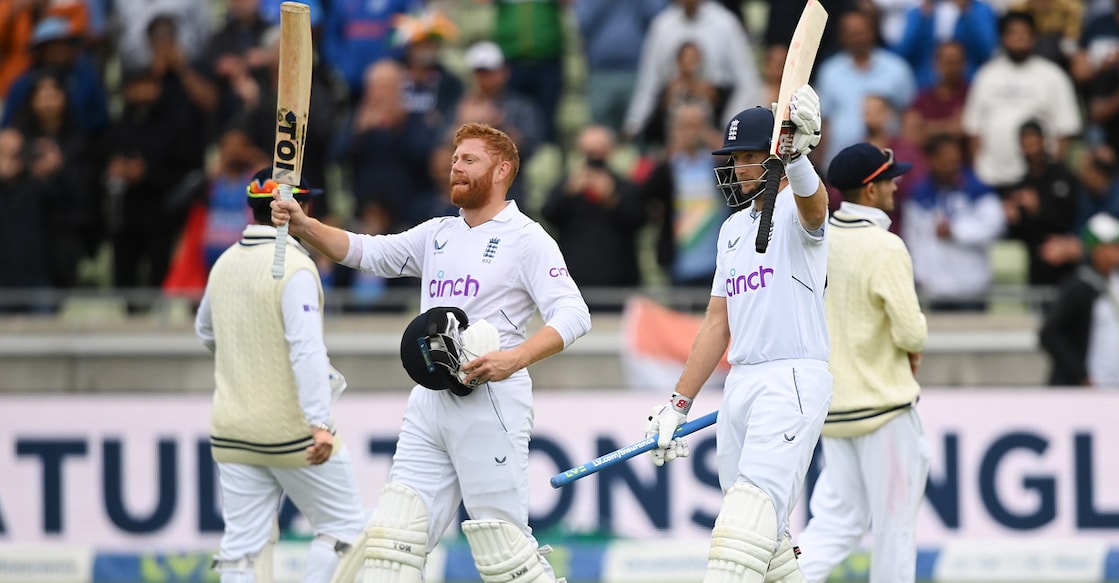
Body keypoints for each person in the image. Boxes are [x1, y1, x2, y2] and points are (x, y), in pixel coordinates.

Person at [270, 122, 592, 583]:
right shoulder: (439, 232)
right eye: (454, 158)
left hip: (491, 402)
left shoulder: (527, 238)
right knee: (391, 547)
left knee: (506, 556)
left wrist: (515, 357)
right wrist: (303, 225)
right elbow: (366, 251)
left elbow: (574, 314)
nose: (454, 167)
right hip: (429, 403)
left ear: (502, 170)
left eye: (469, 160)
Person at [642, 86, 831, 582]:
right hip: (741, 385)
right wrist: (677, 403)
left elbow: (816, 208)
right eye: (735, 158)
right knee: (765, 545)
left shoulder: (795, 207)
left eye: (750, 156)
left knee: (740, 535)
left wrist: (798, 159)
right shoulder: (730, 231)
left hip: (790, 378)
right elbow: (716, 324)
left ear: (772, 155)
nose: (741, 167)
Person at [195, 168, 366, 583]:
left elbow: (205, 331)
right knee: (348, 530)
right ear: (300, 208)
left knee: (240, 551)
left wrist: (249, 362)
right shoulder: (295, 267)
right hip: (293, 432)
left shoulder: (225, 263)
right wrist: (319, 422)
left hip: (232, 430)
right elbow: (307, 350)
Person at [795, 142, 930, 583]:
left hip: (834, 409)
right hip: (884, 410)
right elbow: (911, 331)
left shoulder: (818, 240)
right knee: (894, 530)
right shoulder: (885, 246)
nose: (896, 186)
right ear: (870, 191)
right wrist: (912, 347)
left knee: (835, 524)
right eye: (889, 180)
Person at [1040, 212, 1119, 388]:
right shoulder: (1078, 287)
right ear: (1096, 249)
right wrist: (1081, 375)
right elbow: (1049, 333)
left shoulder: (1114, 283)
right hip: (1087, 388)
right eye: (1113, 246)